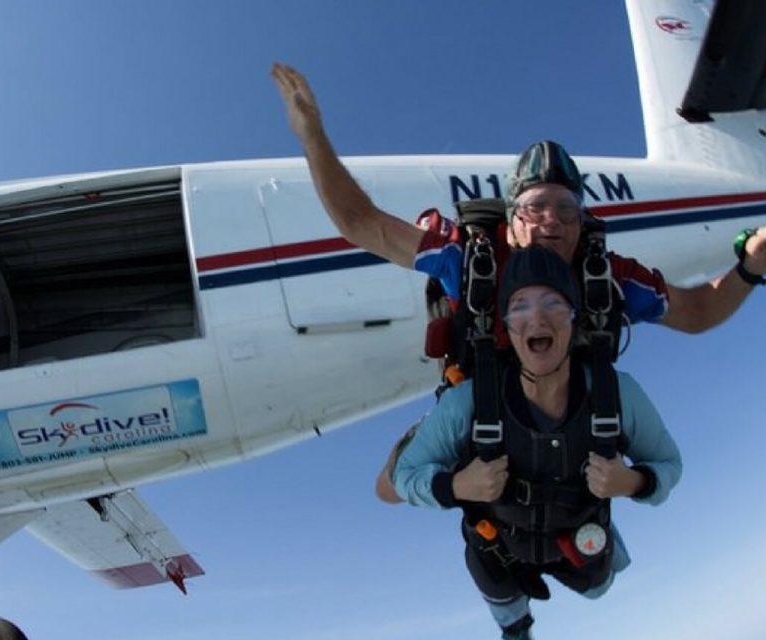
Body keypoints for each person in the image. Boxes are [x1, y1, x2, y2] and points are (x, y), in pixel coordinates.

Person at [270, 63, 765, 501]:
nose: (552, 220)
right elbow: (362, 223)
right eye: (535, 208)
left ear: (582, 219)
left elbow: (698, 312)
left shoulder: (607, 274)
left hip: (571, 409)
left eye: (566, 208)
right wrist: (314, 138)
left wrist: (750, 266)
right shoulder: (469, 257)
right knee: (389, 487)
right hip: (483, 397)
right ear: (512, 219)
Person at [392, 245, 682, 640]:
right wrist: (456, 485)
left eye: (553, 303)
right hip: (500, 545)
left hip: (576, 535)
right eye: (520, 307)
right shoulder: (469, 404)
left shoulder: (617, 394)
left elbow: (668, 463)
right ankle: (517, 628)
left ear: (574, 317)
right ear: (507, 326)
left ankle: (596, 555)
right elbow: (404, 477)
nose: (537, 317)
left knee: (599, 585)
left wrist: (632, 482)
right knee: (495, 585)